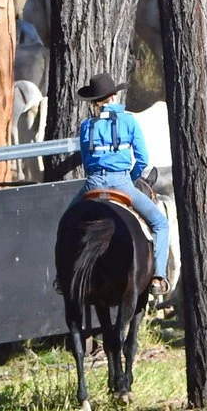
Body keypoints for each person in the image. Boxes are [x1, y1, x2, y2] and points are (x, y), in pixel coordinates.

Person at [75, 72, 170, 295]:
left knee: (65, 222)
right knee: (159, 223)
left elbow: (86, 161)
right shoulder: (129, 121)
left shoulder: (86, 125)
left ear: (94, 102)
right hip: (122, 183)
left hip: (93, 182)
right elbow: (143, 158)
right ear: (113, 97)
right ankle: (158, 276)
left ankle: (62, 277)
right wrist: (133, 177)